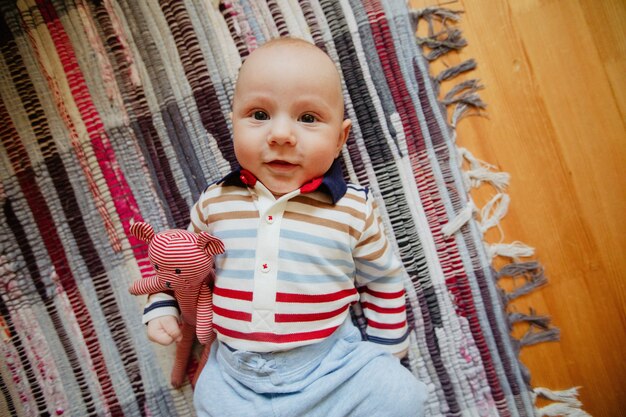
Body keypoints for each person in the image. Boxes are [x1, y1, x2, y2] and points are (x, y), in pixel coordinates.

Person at [142, 37, 428, 417]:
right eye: (259, 115)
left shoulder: (352, 208)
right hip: (236, 378)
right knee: (208, 399)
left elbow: (384, 278)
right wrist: (160, 305)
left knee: (401, 394)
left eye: (308, 118)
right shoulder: (216, 202)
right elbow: (179, 266)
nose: (280, 135)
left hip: (333, 368)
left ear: (341, 138)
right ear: (233, 125)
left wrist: (389, 352)